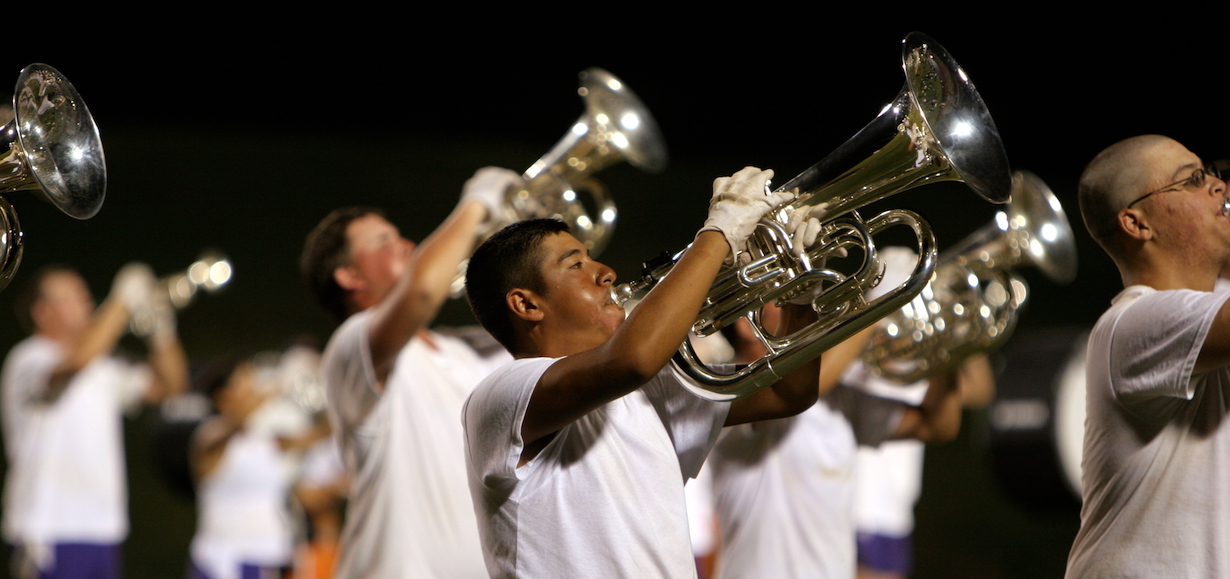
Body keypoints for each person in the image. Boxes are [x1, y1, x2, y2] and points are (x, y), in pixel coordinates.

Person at [461, 166, 822, 578]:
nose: (606, 272)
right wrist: (719, 231)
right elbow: (631, 360)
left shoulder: (649, 390)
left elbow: (787, 393)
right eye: (575, 264)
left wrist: (800, 296)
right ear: (526, 305)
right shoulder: (501, 394)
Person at [704, 248, 980, 579]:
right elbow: (797, 394)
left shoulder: (840, 399)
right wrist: (878, 304)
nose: (810, 306)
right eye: (787, 299)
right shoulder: (728, 389)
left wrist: (941, 341)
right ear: (747, 324)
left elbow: (937, 426)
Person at [300, 167, 516, 578]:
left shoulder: (463, 348)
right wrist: (477, 203)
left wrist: (517, 247)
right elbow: (420, 291)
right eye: (384, 241)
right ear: (349, 276)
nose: (408, 245)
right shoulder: (349, 347)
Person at [1065, 135, 1230, 577]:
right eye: (1192, 180)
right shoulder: (1132, 323)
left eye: (1210, 172)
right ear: (1137, 223)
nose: (1218, 186)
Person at [1, 264, 189, 579]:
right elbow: (75, 364)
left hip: (102, 529)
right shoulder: (29, 358)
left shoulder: (105, 367)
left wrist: (160, 329)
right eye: (71, 296)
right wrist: (123, 299)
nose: (86, 302)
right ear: (42, 312)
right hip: (48, 529)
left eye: (85, 294)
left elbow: (173, 388)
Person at [188, 356, 329, 579]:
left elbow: (323, 434)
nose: (255, 388)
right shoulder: (210, 436)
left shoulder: (267, 439)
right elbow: (236, 421)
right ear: (223, 398)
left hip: (269, 560)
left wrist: (330, 395)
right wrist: (280, 387)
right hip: (226, 562)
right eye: (246, 383)